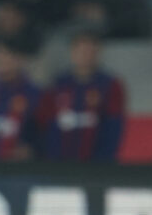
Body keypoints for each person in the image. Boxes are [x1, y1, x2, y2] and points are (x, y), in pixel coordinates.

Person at [38, 29, 125, 161]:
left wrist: (104, 162)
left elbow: (113, 127)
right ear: (72, 52)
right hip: (59, 164)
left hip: (97, 165)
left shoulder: (110, 85)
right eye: (81, 51)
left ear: (98, 53)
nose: (86, 55)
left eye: (90, 51)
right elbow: (47, 124)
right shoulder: (58, 85)